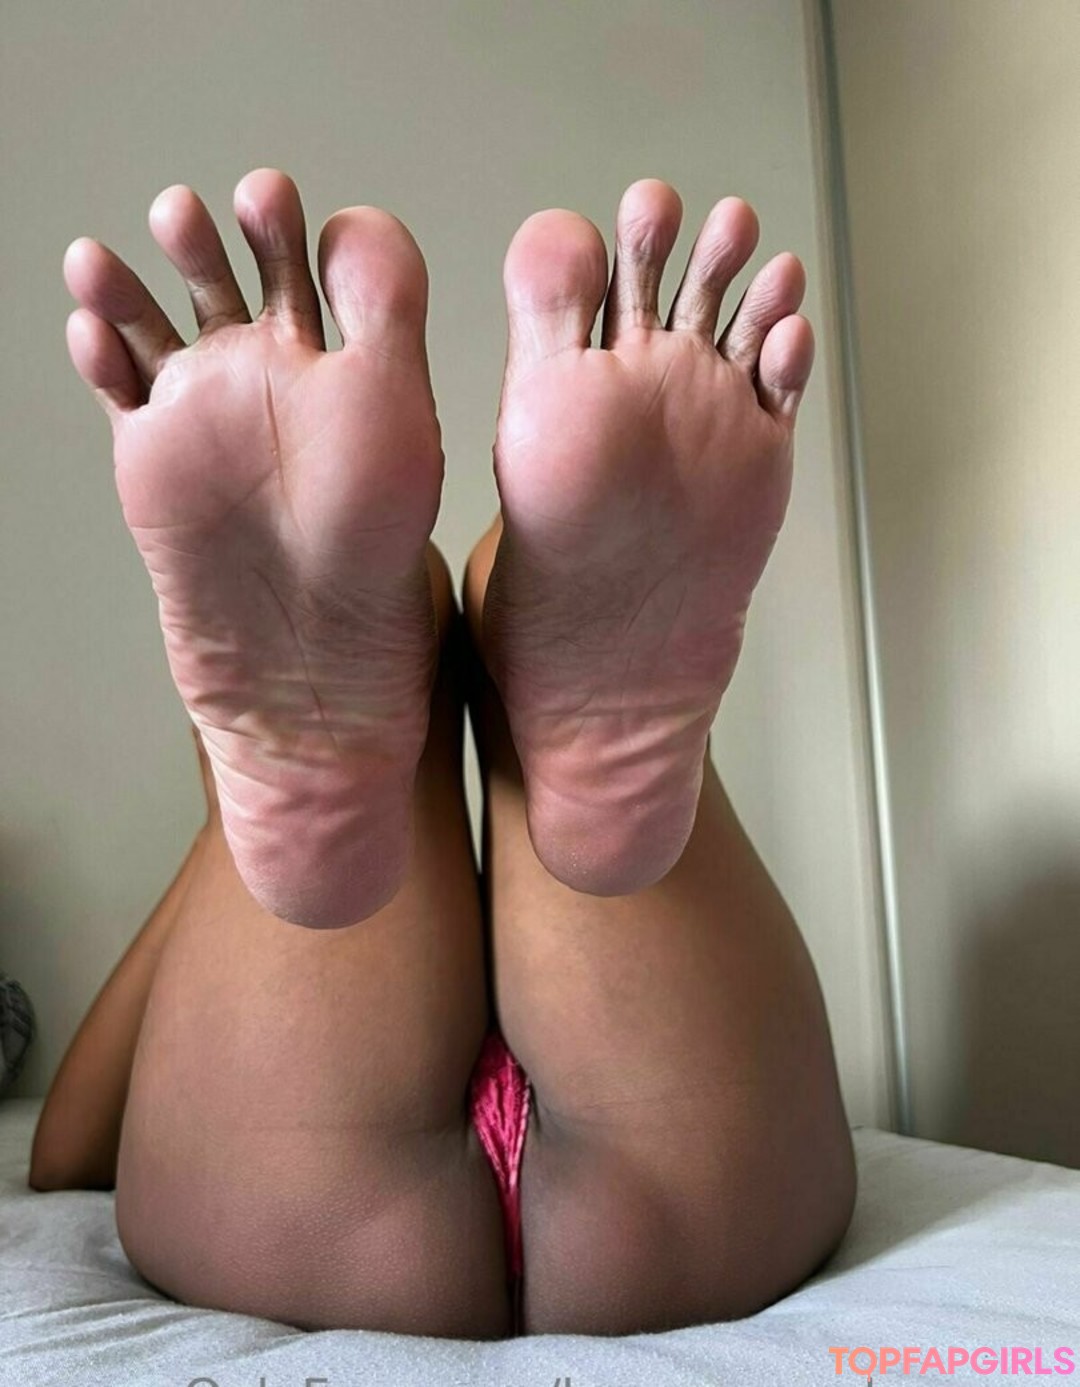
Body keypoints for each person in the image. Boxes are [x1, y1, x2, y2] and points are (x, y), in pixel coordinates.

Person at [29, 170, 855, 1339]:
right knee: (490, 594)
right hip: (703, 1179)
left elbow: (64, 1149)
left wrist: (219, 835)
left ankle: (402, 650)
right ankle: (510, 622)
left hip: (295, 1205)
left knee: (387, 644)